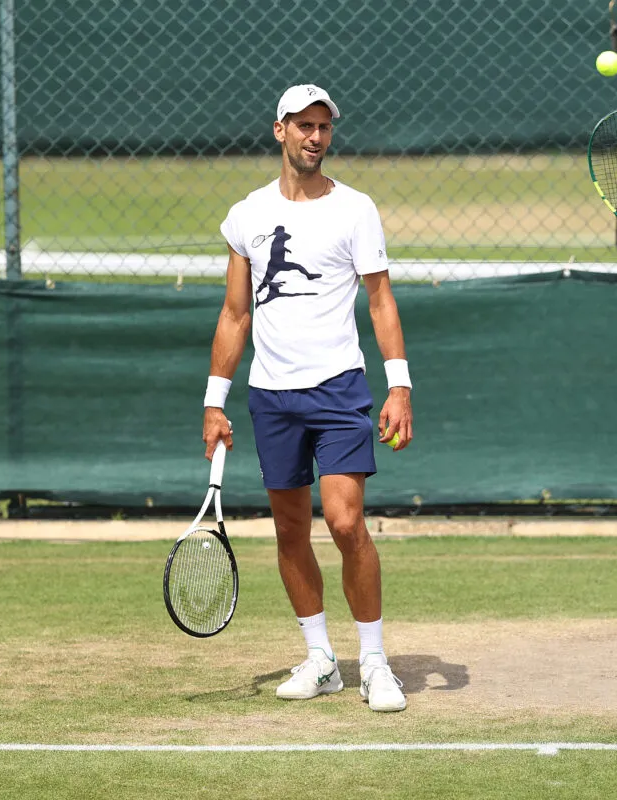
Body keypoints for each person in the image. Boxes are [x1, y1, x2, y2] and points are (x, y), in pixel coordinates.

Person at [202, 84, 413, 713]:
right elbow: (235, 313)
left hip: (339, 387)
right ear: (280, 131)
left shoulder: (355, 209)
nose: (315, 137)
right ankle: (322, 658)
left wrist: (399, 384)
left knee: (346, 523)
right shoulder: (246, 215)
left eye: (324, 127)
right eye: (304, 126)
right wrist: (215, 401)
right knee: (290, 530)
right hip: (271, 394)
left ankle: (374, 661)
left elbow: (380, 300)